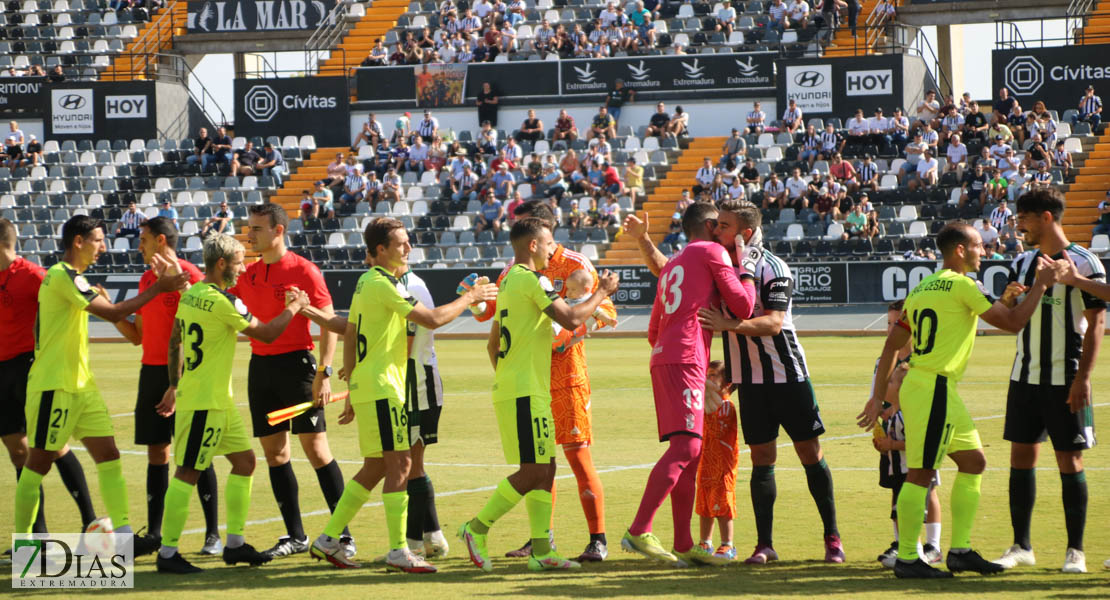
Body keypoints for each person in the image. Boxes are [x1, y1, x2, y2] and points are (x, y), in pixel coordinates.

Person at [859, 222, 1061, 578]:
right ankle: (908, 557)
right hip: (933, 387)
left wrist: (878, 397)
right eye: (979, 245)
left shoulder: (923, 287)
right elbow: (1013, 324)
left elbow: (892, 344)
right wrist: (1041, 285)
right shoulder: (964, 284)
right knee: (920, 473)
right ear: (960, 250)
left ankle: (961, 551)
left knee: (974, 462)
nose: (984, 251)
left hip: (934, 388)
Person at [296, 218, 495, 570]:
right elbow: (431, 319)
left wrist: (353, 383)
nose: (408, 248)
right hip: (386, 386)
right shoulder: (385, 284)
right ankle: (399, 549)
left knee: (375, 465)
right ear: (380, 251)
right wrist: (471, 297)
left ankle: (329, 540)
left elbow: (350, 330)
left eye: (408, 241)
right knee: (402, 463)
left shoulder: (364, 283)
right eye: (400, 243)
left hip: (372, 385)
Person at [11, 215, 188, 558]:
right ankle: (26, 546)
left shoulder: (74, 279)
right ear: (78, 241)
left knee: (109, 455)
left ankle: (121, 538)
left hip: (82, 387)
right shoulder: (62, 277)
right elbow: (113, 311)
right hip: (55, 386)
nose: (103, 247)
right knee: (38, 465)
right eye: (97, 240)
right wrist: (159, 289)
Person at [458, 217, 619, 572]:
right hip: (525, 390)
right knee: (534, 471)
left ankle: (542, 550)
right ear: (533, 245)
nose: (552, 250)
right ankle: (476, 528)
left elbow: (494, 338)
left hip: (529, 387)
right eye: (548, 244)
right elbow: (573, 318)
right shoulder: (530, 280)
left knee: (546, 470)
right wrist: (603, 293)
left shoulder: (510, 282)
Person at [151, 234, 311, 573]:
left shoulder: (192, 293)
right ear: (221, 264)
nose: (243, 267)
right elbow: (266, 334)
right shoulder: (224, 301)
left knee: (245, 462)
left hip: (216, 401)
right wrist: (294, 308)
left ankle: (235, 545)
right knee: (187, 472)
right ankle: (167, 553)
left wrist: (174, 384)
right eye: (239, 261)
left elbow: (176, 340)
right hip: (204, 402)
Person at [621, 202, 755, 567]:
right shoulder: (712, 251)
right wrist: (745, 268)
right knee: (685, 450)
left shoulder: (675, 264)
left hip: (664, 356)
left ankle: (684, 543)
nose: (725, 232)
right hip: (686, 359)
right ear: (711, 226)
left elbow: (653, 329)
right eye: (722, 225)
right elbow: (743, 306)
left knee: (690, 453)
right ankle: (638, 529)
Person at [229, 203, 352, 560]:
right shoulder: (248, 275)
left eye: (257, 229)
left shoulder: (305, 270)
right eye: (249, 228)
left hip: (298, 367)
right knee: (275, 454)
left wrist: (324, 373)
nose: (250, 234)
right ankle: (295, 536)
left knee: (316, 451)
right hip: (260, 369)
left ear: (278, 231)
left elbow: (330, 324)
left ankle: (342, 536)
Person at [994, 189, 1106, 574]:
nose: (1018, 225)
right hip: (1023, 376)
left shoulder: (1084, 261)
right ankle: (1021, 545)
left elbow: (1097, 325)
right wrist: (1008, 300)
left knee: (1069, 459)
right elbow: (1010, 316)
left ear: (1045, 217)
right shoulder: (1022, 262)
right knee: (1021, 457)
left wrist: (1083, 379)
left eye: (1022, 218)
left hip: (1065, 379)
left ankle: (1075, 551)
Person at [110, 217, 221, 555]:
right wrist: (111, 312)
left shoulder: (191, 275)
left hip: (186, 375)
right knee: (157, 451)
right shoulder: (147, 278)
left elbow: (200, 332)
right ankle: (154, 534)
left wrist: (177, 381)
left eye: (142, 239)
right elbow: (138, 336)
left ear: (160, 240)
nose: (138, 245)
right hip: (151, 372)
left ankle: (213, 534)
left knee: (195, 452)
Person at [0, 219, 97, 536]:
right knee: (18, 453)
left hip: (29, 367)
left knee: (53, 447)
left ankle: (90, 522)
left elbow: (70, 304)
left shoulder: (33, 276)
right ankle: (36, 535)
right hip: (0, 373)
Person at [872, 300, 944, 568]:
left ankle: (933, 544)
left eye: (897, 323)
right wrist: (879, 427)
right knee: (896, 487)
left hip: (916, 433)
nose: (892, 329)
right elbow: (876, 398)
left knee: (929, 486)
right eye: (888, 324)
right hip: (893, 435)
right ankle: (901, 543)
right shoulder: (883, 360)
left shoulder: (923, 359)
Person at [695, 360, 740, 561]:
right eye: (707, 375)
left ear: (727, 384)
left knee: (723, 504)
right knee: (704, 503)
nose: (708, 379)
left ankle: (727, 544)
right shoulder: (707, 403)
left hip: (722, 465)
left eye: (713, 376)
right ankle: (705, 542)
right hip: (705, 462)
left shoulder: (726, 406)